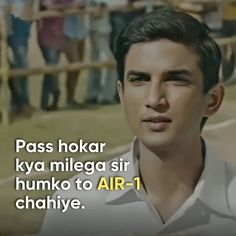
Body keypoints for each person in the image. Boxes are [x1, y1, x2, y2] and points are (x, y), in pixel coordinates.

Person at [40, 9, 236, 236]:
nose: (154, 99)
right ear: (122, 95)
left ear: (212, 100)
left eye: (176, 80)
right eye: (139, 80)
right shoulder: (75, 203)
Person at [37, 0, 67, 111]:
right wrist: (63, 7)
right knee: (52, 69)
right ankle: (56, 95)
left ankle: (45, 103)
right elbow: (47, 7)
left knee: (50, 72)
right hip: (47, 37)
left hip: (58, 37)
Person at [8, 0, 35, 117]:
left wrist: (29, 7)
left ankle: (21, 103)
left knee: (21, 64)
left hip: (19, 17)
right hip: (6, 14)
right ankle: (20, 103)